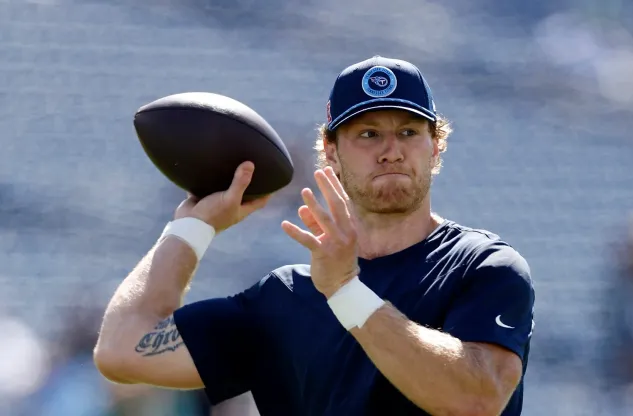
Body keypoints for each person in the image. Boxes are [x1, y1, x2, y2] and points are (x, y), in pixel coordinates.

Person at [93, 55, 536, 416]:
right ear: (331, 152)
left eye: (408, 132)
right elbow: (120, 349)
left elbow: (477, 399)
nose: (391, 150)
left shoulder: (482, 266)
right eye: (368, 134)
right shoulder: (284, 299)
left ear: (435, 146)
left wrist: (346, 292)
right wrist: (193, 224)